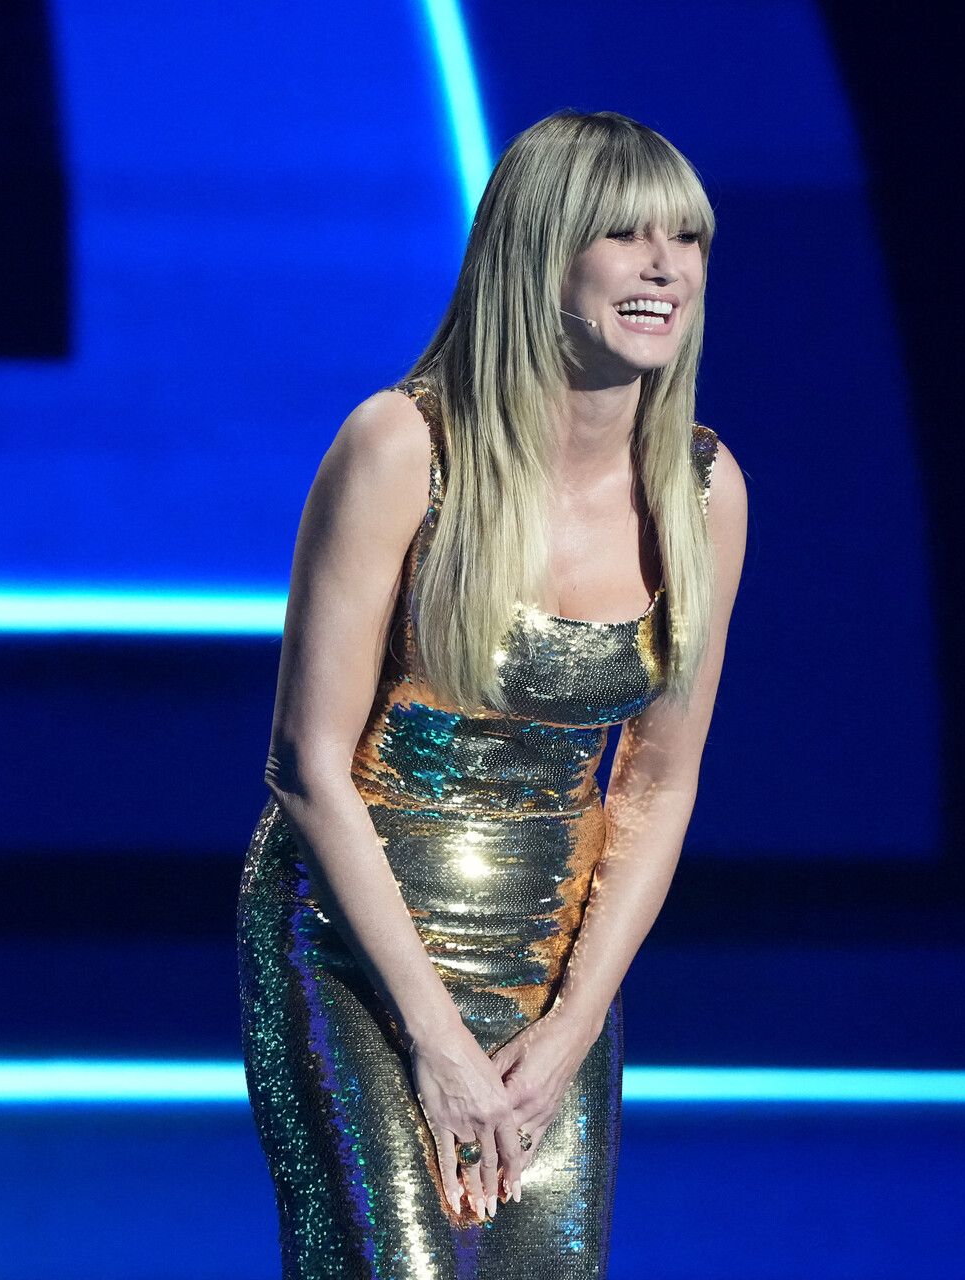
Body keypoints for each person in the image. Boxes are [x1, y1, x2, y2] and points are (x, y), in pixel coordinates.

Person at [238, 112, 747, 1278]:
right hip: (356, 949)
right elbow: (307, 764)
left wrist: (572, 1025)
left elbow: (662, 783)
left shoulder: (705, 489)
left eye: (686, 238)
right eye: (623, 234)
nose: (665, 266)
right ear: (538, 253)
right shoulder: (400, 446)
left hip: (553, 964)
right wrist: (434, 1039)